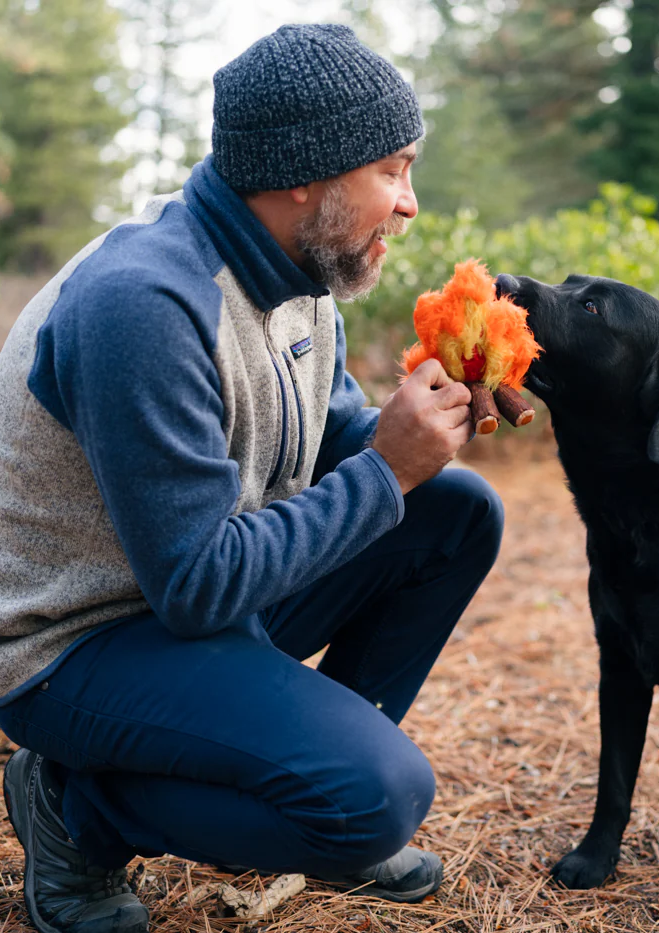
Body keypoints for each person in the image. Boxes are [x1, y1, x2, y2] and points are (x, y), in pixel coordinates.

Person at [0, 24, 504, 933]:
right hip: (73, 641)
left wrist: (429, 420)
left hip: (194, 604)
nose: (409, 204)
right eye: (391, 170)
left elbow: (329, 437)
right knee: (374, 800)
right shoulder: (144, 301)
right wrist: (388, 465)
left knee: (454, 511)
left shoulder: (299, 266)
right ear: (304, 173)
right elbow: (196, 583)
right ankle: (76, 808)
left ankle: (301, 778)